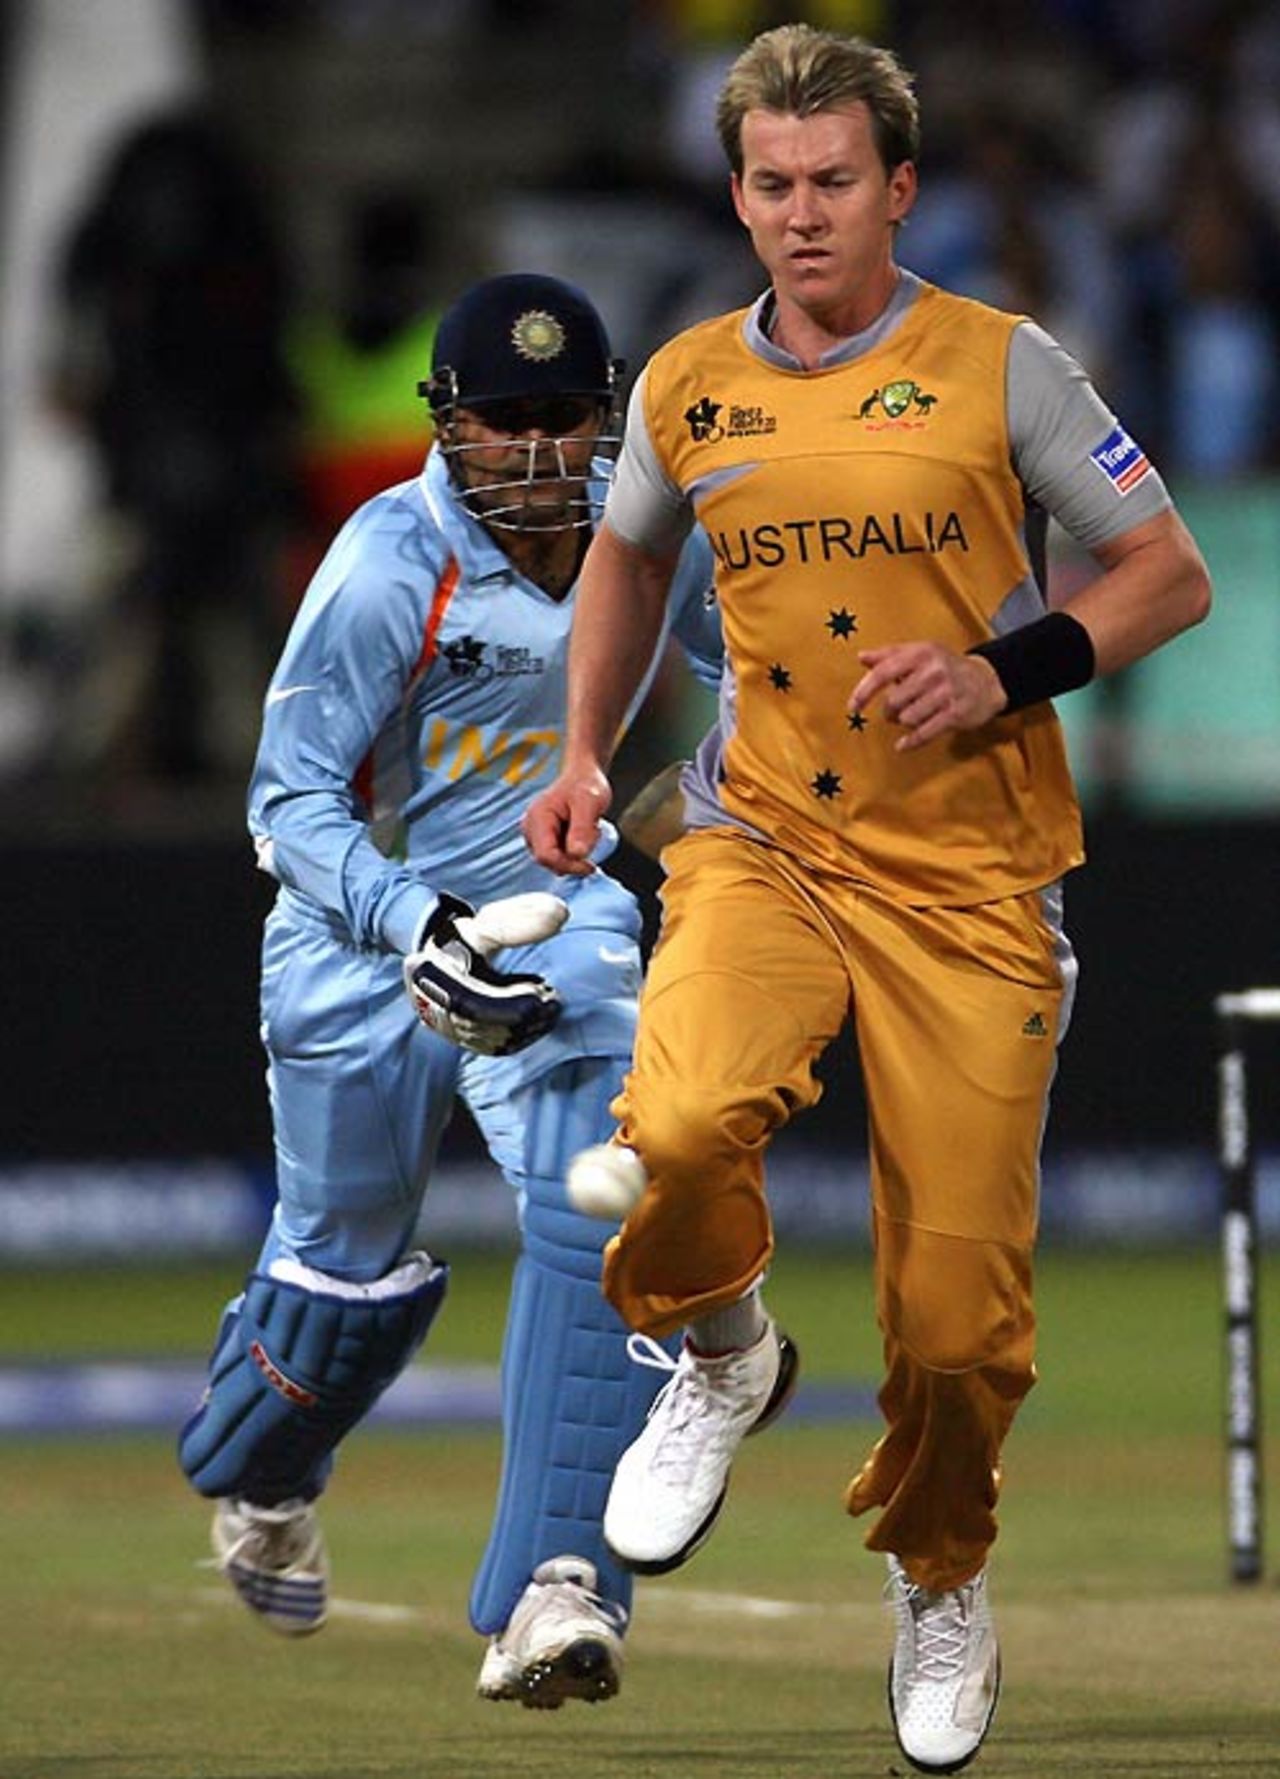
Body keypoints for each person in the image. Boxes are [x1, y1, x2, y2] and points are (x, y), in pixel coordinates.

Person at [524, 23, 1210, 1775]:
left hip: (976, 883)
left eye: (836, 183)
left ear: (899, 192)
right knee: (673, 1129)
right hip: (765, 839)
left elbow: (1166, 573)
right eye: (772, 184)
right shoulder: (686, 384)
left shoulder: (1004, 369)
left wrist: (1005, 672)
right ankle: (724, 1350)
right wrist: (586, 750)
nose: (802, 214)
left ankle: (940, 1574)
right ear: (738, 191)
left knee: (961, 1329)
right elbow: (625, 553)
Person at [177, 272, 722, 1707]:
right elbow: (287, 804)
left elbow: (769, 684)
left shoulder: (656, 536)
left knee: (598, 1196)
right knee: (336, 1283)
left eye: (563, 418)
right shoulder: (387, 561)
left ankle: (559, 1589)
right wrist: (418, 926)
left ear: (605, 416)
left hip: (557, 925)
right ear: (451, 422)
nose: (539, 453)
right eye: (506, 420)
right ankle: (266, 1475)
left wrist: (696, 801)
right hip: (360, 947)